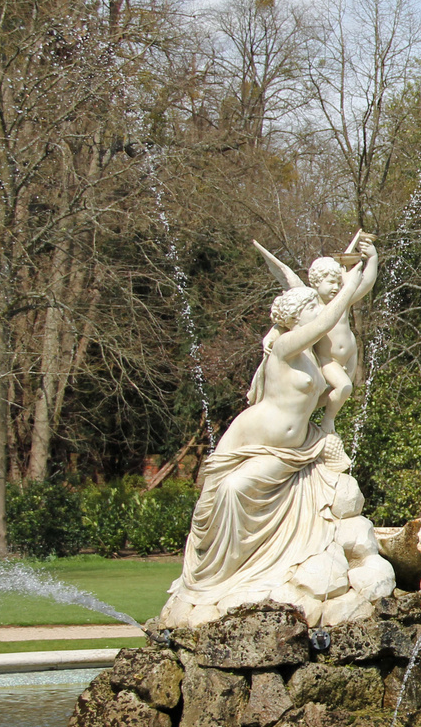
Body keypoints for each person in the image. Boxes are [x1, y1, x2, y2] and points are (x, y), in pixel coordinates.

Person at [162, 257, 368, 622]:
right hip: (249, 437)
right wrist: (348, 287)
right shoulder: (286, 345)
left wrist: (331, 418)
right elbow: (326, 319)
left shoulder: (315, 352)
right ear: (296, 317)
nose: (316, 313)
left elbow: (341, 377)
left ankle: (250, 572)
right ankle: (215, 576)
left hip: (295, 448)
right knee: (221, 493)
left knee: (235, 490)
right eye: (309, 308)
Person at [252, 236, 379, 433]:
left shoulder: (342, 300)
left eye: (339, 282)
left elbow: (367, 283)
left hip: (350, 356)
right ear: (316, 282)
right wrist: (270, 336)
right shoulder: (311, 307)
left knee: (337, 392)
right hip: (328, 360)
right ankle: (328, 422)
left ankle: (309, 423)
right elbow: (286, 322)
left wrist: (372, 258)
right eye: (331, 282)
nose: (337, 287)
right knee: (344, 388)